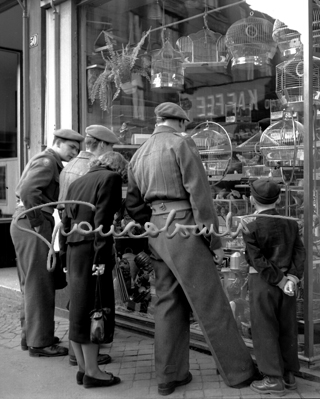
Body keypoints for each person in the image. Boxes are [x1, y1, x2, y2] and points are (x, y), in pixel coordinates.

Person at [125, 102, 256, 396]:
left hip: (158, 230)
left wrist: (155, 222)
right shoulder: (182, 144)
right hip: (185, 228)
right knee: (211, 303)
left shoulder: (139, 154)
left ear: (159, 121)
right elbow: (200, 195)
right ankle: (240, 374)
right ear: (181, 122)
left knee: (168, 303)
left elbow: (133, 203)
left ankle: (169, 377)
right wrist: (214, 239)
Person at [10, 128, 84, 357]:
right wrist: (38, 226)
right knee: (40, 284)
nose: (75, 152)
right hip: (32, 221)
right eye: (71, 147)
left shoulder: (47, 160)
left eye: (77, 149)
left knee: (32, 283)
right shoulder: (47, 161)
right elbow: (28, 191)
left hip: (27, 222)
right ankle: (40, 343)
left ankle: (31, 336)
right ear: (58, 143)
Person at [59, 151, 127, 388]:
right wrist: (101, 257)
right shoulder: (110, 178)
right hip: (92, 250)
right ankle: (93, 372)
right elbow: (103, 220)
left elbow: (65, 220)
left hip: (74, 248)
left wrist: (63, 253)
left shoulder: (77, 181)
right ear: (118, 168)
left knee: (78, 308)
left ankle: (82, 368)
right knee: (95, 307)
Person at [242, 178, 306, 396]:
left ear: (252, 199)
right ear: (278, 198)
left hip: (264, 282)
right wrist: (292, 279)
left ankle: (272, 379)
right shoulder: (291, 222)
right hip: (288, 282)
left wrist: (278, 280)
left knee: (264, 329)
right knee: (287, 327)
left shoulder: (250, 226)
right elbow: (300, 252)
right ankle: (288, 376)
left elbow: (256, 260)